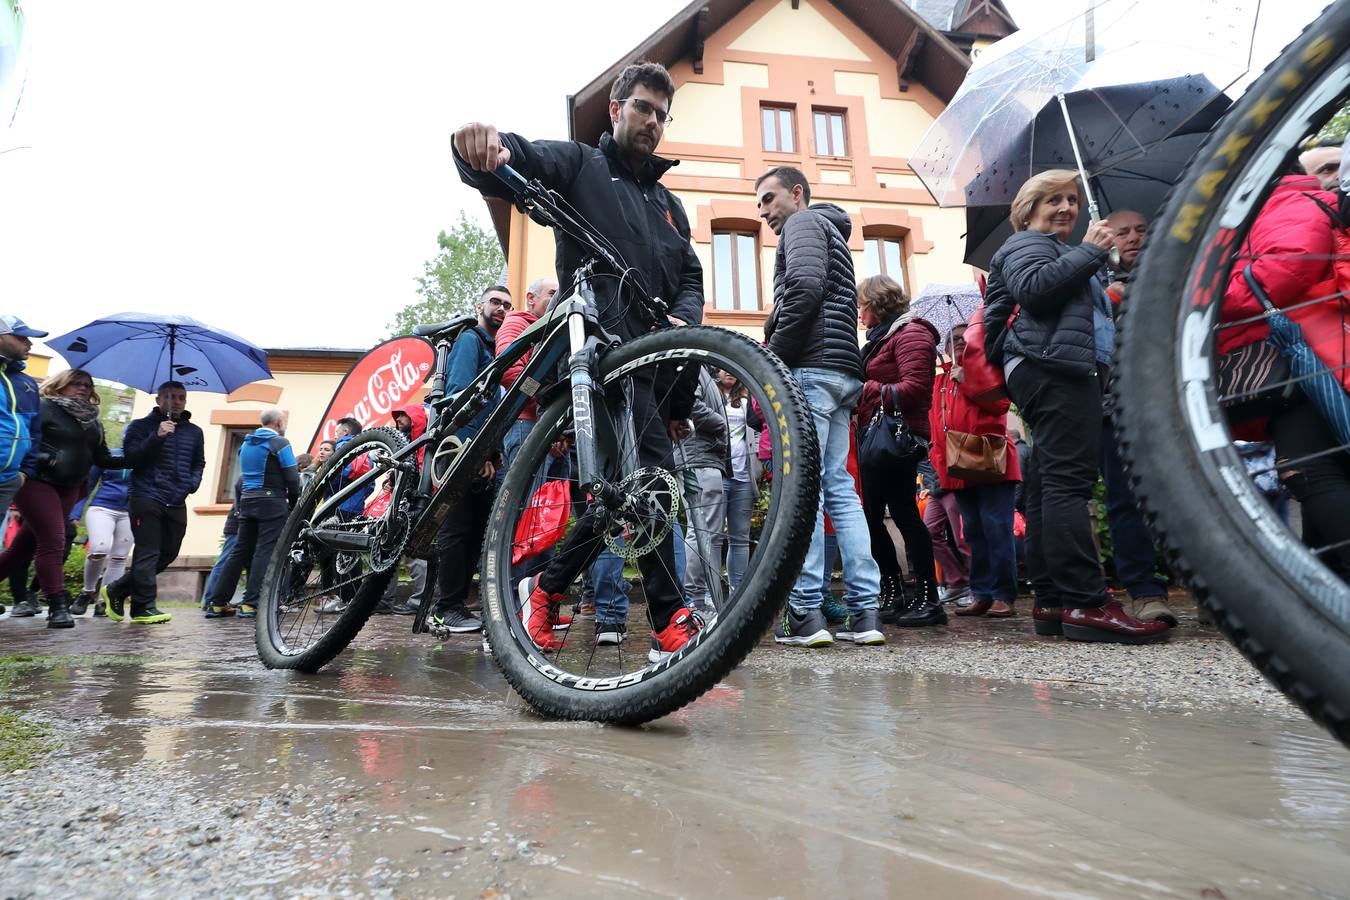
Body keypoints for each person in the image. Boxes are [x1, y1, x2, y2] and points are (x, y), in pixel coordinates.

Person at [454, 61, 705, 660]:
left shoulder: (671, 205)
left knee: (627, 495)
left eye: (663, 115)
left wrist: (684, 332)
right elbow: (522, 159)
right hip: (595, 353)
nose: (654, 122)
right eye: (644, 107)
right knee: (643, 487)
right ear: (616, 110)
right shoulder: (582, 164)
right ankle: (671, 624)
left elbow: (690, 277)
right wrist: (478, 148)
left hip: (651, 365)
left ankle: (545, 589)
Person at [983, 170, 1168, 643]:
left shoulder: (1059, 250)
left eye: (1071, 199)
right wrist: (1091, 251)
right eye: (1053, 199)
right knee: (1069, 485)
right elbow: (1036, 290)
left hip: (1051, 370)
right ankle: (1087, 602)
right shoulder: (1028, 243)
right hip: (1055, 372)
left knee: (1048, 487)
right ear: (1028, 209)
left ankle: (1052, 600)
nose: (1066, 207)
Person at [756, 165, 883, 647]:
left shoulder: (804, 224)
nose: (766, 212)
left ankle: (808, 614)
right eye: (759, 205)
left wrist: (776, 354)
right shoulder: (831, 232)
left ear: (797, 193)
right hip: (842, 372)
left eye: (770, 199)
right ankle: (865, 613)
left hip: (810, 369)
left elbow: (805, 288)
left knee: (805, 491)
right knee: (840, 490)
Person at [1219, 166, 1350, 578]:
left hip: (1313, 356)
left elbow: (1288, 268)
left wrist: (1208, 293)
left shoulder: (1287, 201)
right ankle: (1329, 595)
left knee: (1308, 470)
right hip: (1316, 351)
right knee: (1323, 469)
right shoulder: (1292, 202)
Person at [0, 368, 123, 627]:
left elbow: (104, 459)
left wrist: (149, 450)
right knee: (53, 541)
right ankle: (57, 606)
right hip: (37, 482)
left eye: (87, 385)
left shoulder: (92, 421)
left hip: (69, 487)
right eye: (75, 383)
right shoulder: (44, 406)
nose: (82, 388)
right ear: (59, 385)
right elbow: (26, 439)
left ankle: (54, 603)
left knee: (23, 548)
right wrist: (45, 459)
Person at [1100, 209, 1176, 625]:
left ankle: (1206, 586)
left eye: (1140, 229)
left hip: (1171, 399)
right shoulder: (1096, 280)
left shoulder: (1173, 269)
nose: (1132, 237)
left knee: (1182, 495)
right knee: (1125, 499)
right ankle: (1145, 591)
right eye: (1122, 232)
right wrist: (1108, 300)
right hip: (1115, 405)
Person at [854, 274, 942, 626]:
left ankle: (927, 598)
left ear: (877, 304)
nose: (859, 314)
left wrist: (864, 388)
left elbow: (918, 388)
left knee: (904, 514)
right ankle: (893, 593)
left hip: (898, 437)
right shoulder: (882, 339)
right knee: (872, 516)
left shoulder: (912, 333)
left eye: (862, 305)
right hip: (876, 437)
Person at [426, 285, 510, 634]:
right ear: (480, 306)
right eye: (495, 302)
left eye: (507, 304)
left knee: (475, 531)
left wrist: (492, 453)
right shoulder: (470, 341)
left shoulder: (498, 351)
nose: (502, 308)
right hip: (461, 448)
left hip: (480, 452)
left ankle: (456, 605)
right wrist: (472, 451)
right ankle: (445, 609)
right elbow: (460, 398)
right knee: (457, 529)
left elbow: (494, 407)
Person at [930, 325, 1023, 618]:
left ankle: (1003, 594)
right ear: (945, 348)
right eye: (954, 340)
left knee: (996, 527)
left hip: (990, 459)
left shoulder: (986, 370)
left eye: (964, 339)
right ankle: (981, 592)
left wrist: (969, 380)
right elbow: (936, 425)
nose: (959, 344)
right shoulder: (940, 382)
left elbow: (1000, 405)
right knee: (971, 531)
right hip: (958, 466)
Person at [105, 380, 205, 625]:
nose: (177, 402)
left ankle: (116, 589)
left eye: (181, 397)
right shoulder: (140, 426)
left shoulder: (194, 431)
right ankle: (143, 608)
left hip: (177, 498)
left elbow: (198, 462)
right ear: (159, 399)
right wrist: (157, 437)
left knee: (168, 553)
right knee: (147, 552)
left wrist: (191, 484)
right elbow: (131, 459)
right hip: (146, 496)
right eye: (172, 397)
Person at [202, 409, 300, 618]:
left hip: (246, 502)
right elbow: (292, 477)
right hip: (272, 502)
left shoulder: (246, 443)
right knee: (264, 551)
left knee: (240, 551)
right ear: (279, 422)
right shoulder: (280, 443)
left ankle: (217, 603)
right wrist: (294, 503)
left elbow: (242, 478)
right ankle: (251, 603)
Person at [676, 365, 729, 621]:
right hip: (699, 457)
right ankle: (699, 599)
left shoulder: (701, 368)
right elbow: (688, 403)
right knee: (703, 531)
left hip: (702, 456)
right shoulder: (693, 366)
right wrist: (720, 424)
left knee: (705, 531)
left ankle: (704, 596)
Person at [0, 314, 44, 554]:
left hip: (8, 479)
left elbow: (34, 431)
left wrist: (24, 472)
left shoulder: (26, 383)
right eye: (22, 337)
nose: (29, 343)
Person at [716, 370, 758, 597]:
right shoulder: (710, 394)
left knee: (740, 539)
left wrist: (758, 467)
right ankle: (709, 594)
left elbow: (757, 429)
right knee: (711, 536)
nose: (728, 373)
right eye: (724, 369)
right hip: (718, 475)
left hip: (743, 477)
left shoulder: (746, 397)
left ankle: (737, 594)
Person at [77, 460, 134, 616]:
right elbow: (88, 485)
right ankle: (87, 592)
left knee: (119, 557)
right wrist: (76, 511)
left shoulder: (146, 457)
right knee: (99, 548)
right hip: (102, 507)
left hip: (130, 512)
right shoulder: (110, 456)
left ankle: (104, 600)